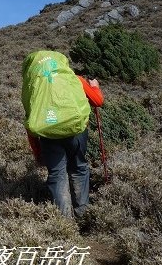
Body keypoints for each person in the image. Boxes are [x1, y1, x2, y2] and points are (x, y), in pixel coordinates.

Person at [22, 51, 104, 219]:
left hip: (48, 135)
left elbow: (31, 124)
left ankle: (65, 222)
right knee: (79, 167)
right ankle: (83, 214)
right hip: (76, 131)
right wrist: (94, 86)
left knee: (57, 174)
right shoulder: (74, 78)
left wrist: (38, 154)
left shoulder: (32, 88)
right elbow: (97, 101)